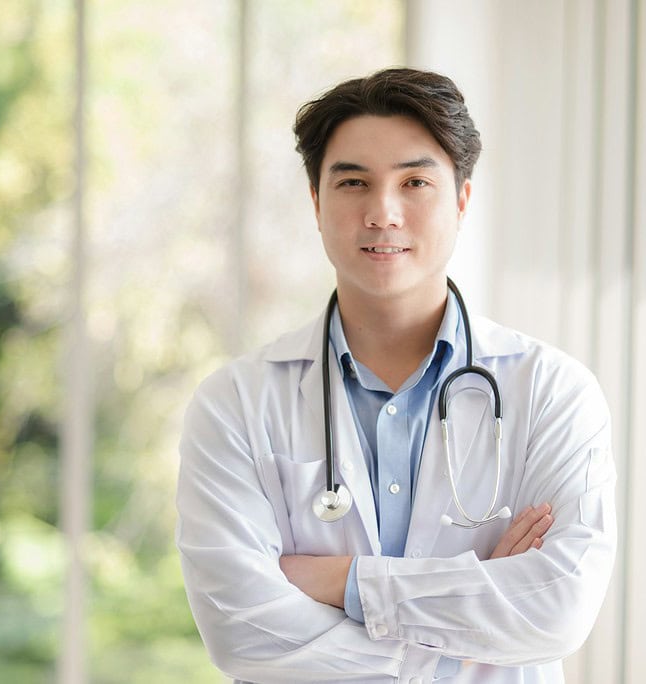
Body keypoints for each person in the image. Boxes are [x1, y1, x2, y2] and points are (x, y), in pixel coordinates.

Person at [175, 67, 616, 683]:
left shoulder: (552, 392)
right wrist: (470, 629)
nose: (382, 213)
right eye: (354, 182)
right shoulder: (235, 403)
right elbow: (241, 629)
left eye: (414, 182)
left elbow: (557, 610)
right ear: (316, 203)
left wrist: (341, 582)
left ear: (461, 200)